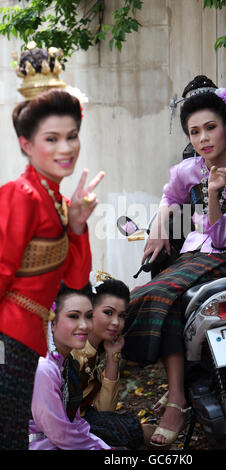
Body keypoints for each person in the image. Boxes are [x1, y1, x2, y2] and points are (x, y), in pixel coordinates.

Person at [122, 75, 226, 447]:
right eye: (194, 132)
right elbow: (170, 194)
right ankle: (178, 396)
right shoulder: (189, 169)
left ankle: (177, 400)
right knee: (149, 297)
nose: (203, 139)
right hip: (195, 256)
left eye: (210, 128)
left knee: (158, 292)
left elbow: (224, 237)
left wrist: (213, 193)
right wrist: (160, 226)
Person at [0, 46, 104, 449]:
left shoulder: (54, 200)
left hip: (25, 340)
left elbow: (76, 280)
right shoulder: (21, 196)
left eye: (72, 136)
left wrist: (77, 224)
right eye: (52, 139)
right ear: (26, 144)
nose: (66, 149)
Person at [72, 272, 156, 449]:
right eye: (108, 312)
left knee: (155, 435)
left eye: (122, 315)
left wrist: (112, 357)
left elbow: (105, 411)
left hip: (87, 420)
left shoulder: (96, 351)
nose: (116, 322)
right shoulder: (71, 352)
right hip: (64, 429)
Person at [29, 283, 111, 450]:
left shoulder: (66, 362)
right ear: (51, 322)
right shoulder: (44, 367)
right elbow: (60, 435)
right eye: (74, 316)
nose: (85, 325)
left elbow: (75, 421)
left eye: (88, 316)